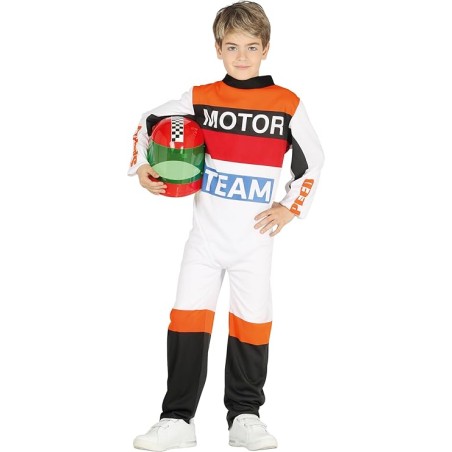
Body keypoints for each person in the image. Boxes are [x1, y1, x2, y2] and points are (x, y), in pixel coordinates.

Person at [128, 2, 324, 450]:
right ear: (218, 48)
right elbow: (149, 121)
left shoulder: (286, 103)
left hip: (255, 240)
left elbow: (314, 161)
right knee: (185, 321)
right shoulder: (201, 97)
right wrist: (142, 166)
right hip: (204, 238)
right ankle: (177, 419)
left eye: (252, 47)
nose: (242, 56)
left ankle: (245, 416)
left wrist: (291, 208)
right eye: (232, 47)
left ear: (266, 49)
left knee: (252, 323)